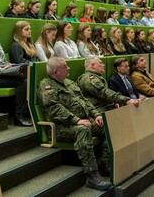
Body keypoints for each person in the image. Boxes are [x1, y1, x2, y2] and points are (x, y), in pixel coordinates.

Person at [37, 57, 112, 191]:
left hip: (83, 120)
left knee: (108, 125)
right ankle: (92, 175)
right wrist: (76, 120)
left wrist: (96, 115)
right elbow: (55, 109)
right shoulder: (46, 86)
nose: (69, 68)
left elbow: (85, 101)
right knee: (82, 130)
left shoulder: (70, 83)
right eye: (65, 67)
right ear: (55, 72)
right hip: (61, 127)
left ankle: (105, 165)